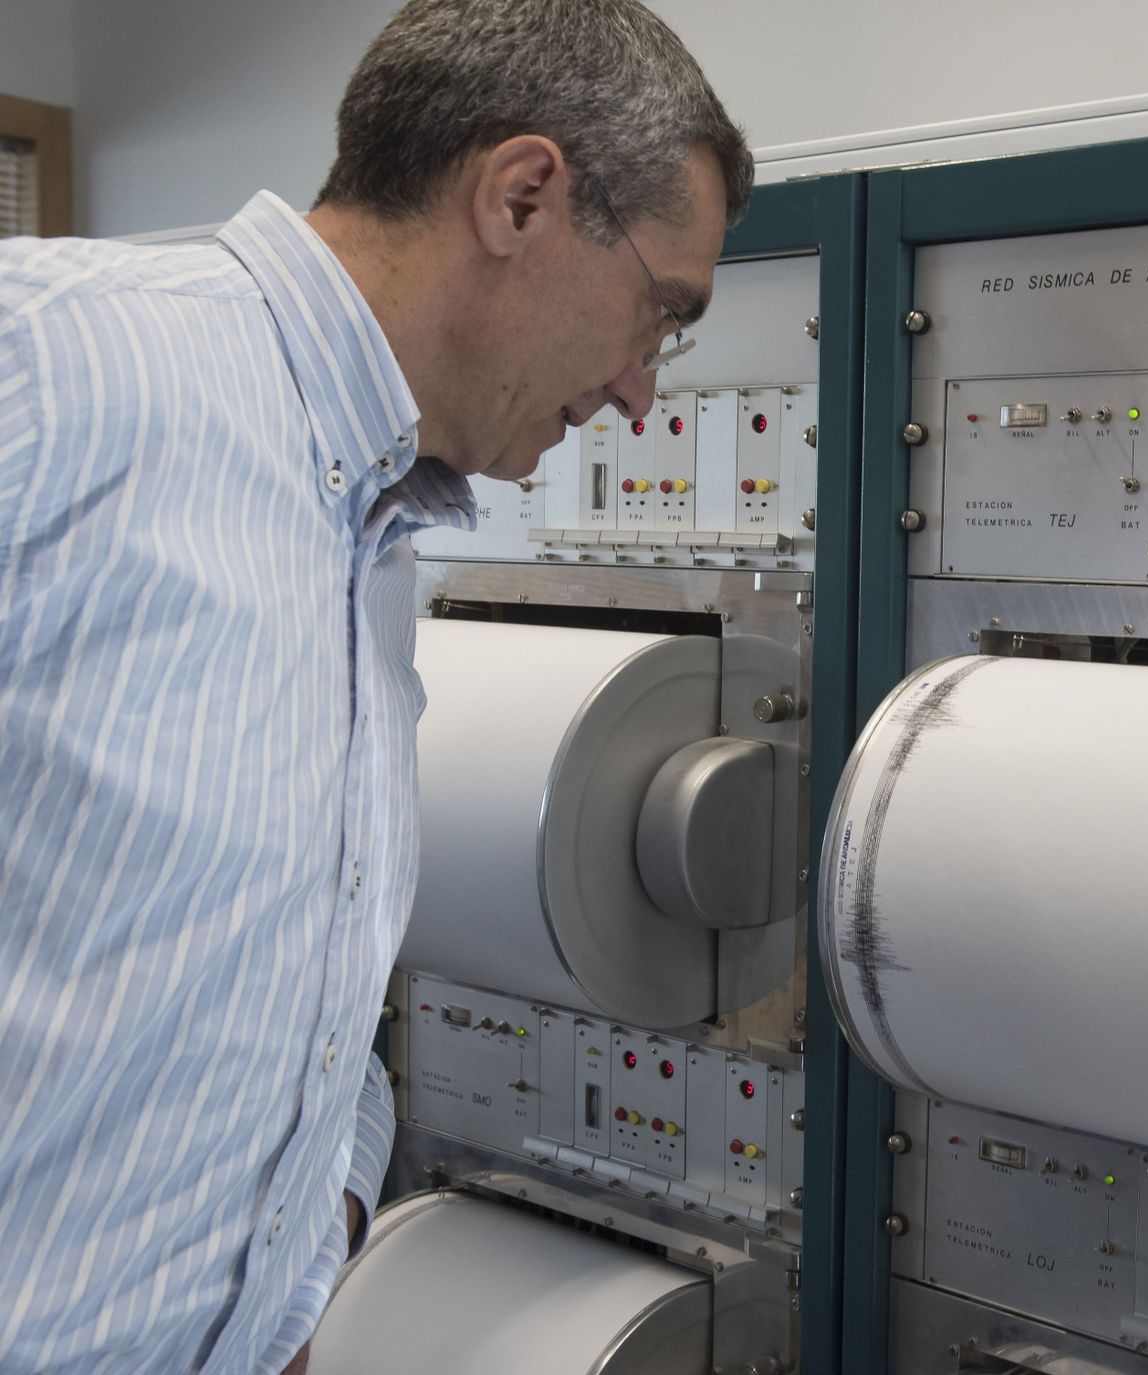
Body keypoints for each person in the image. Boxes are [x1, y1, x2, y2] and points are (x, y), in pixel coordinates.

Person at [0, 1, 752, 1370]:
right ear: (521, 196)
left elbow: (302, 979)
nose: (646, 391)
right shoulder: (53, 370)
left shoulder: (372, 520)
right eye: (660, 313)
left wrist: (304, 1248)